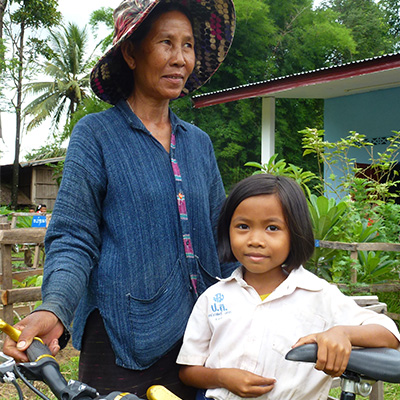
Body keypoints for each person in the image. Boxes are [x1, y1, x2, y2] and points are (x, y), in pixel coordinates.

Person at [3, 0, 236, 398]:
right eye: (166, 42)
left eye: (188, 45)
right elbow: (74, 236)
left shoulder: (199, 144)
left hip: (203, 340)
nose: (180, 59)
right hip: (121, 340)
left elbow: (224, 238)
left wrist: (267, 298)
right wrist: (55, 305)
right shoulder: (96, 135)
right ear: (130, 52)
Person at [177, 174, 400, 400]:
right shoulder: (214, 298)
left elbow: (389, 334)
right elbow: (188, 370)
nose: (255, 240)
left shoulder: (319, 295)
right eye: (243, 226)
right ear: (228, 230)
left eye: (272, 228)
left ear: (295, 233)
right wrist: (223, 378)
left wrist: (342, 333)